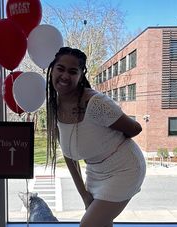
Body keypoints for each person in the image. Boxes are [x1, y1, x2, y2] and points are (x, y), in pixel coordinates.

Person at [46, 47, 146, 227]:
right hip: (95, 172)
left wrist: (110, 133)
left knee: (88, 225)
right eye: (60, 68)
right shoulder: (55, 105)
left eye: (73, 71)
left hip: (125, 169)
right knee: (101, 223)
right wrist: (84, 194)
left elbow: (135, 129)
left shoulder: (95, 103)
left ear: (80, 75)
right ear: (52, 69)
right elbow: (69, 157)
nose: (65, 76)